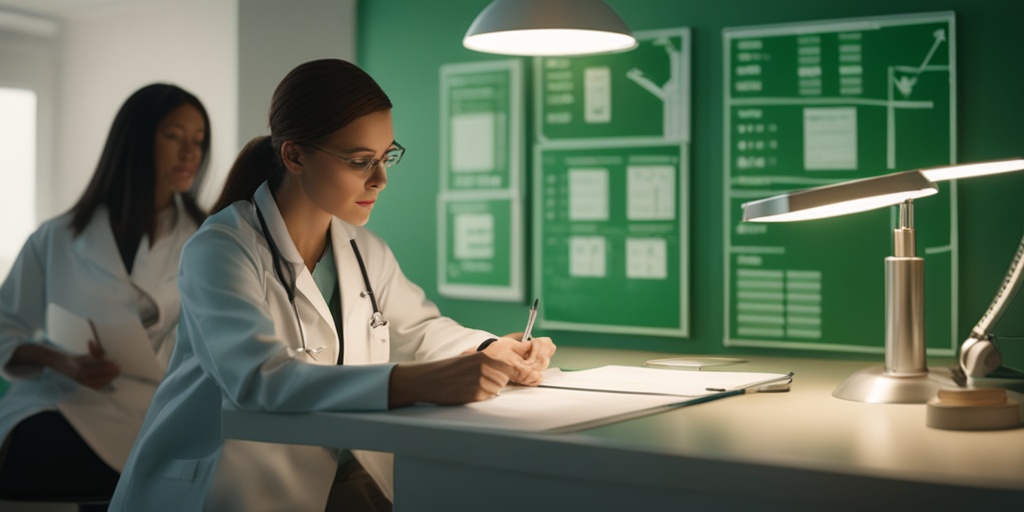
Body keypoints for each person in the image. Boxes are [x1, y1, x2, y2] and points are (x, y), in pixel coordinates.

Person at [109, 58, 555, 512]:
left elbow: (420, 331)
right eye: (361, 161)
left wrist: (489, 350)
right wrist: (418, 383)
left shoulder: (364, 249)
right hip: (229, 487)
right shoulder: (221, 249)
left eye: (386, 158)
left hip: (340, 479)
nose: (380, 180)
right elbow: (259, 379)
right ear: (295, 155)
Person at [0, 83, 210, 509]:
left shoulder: (211, 240)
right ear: (135, 140)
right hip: (65, 399)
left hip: (159, 406)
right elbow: (5, 327)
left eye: (199, 141)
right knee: (36, 447)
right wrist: (59, 360)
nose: (191, 153)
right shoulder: (56, 238)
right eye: (174, 136)